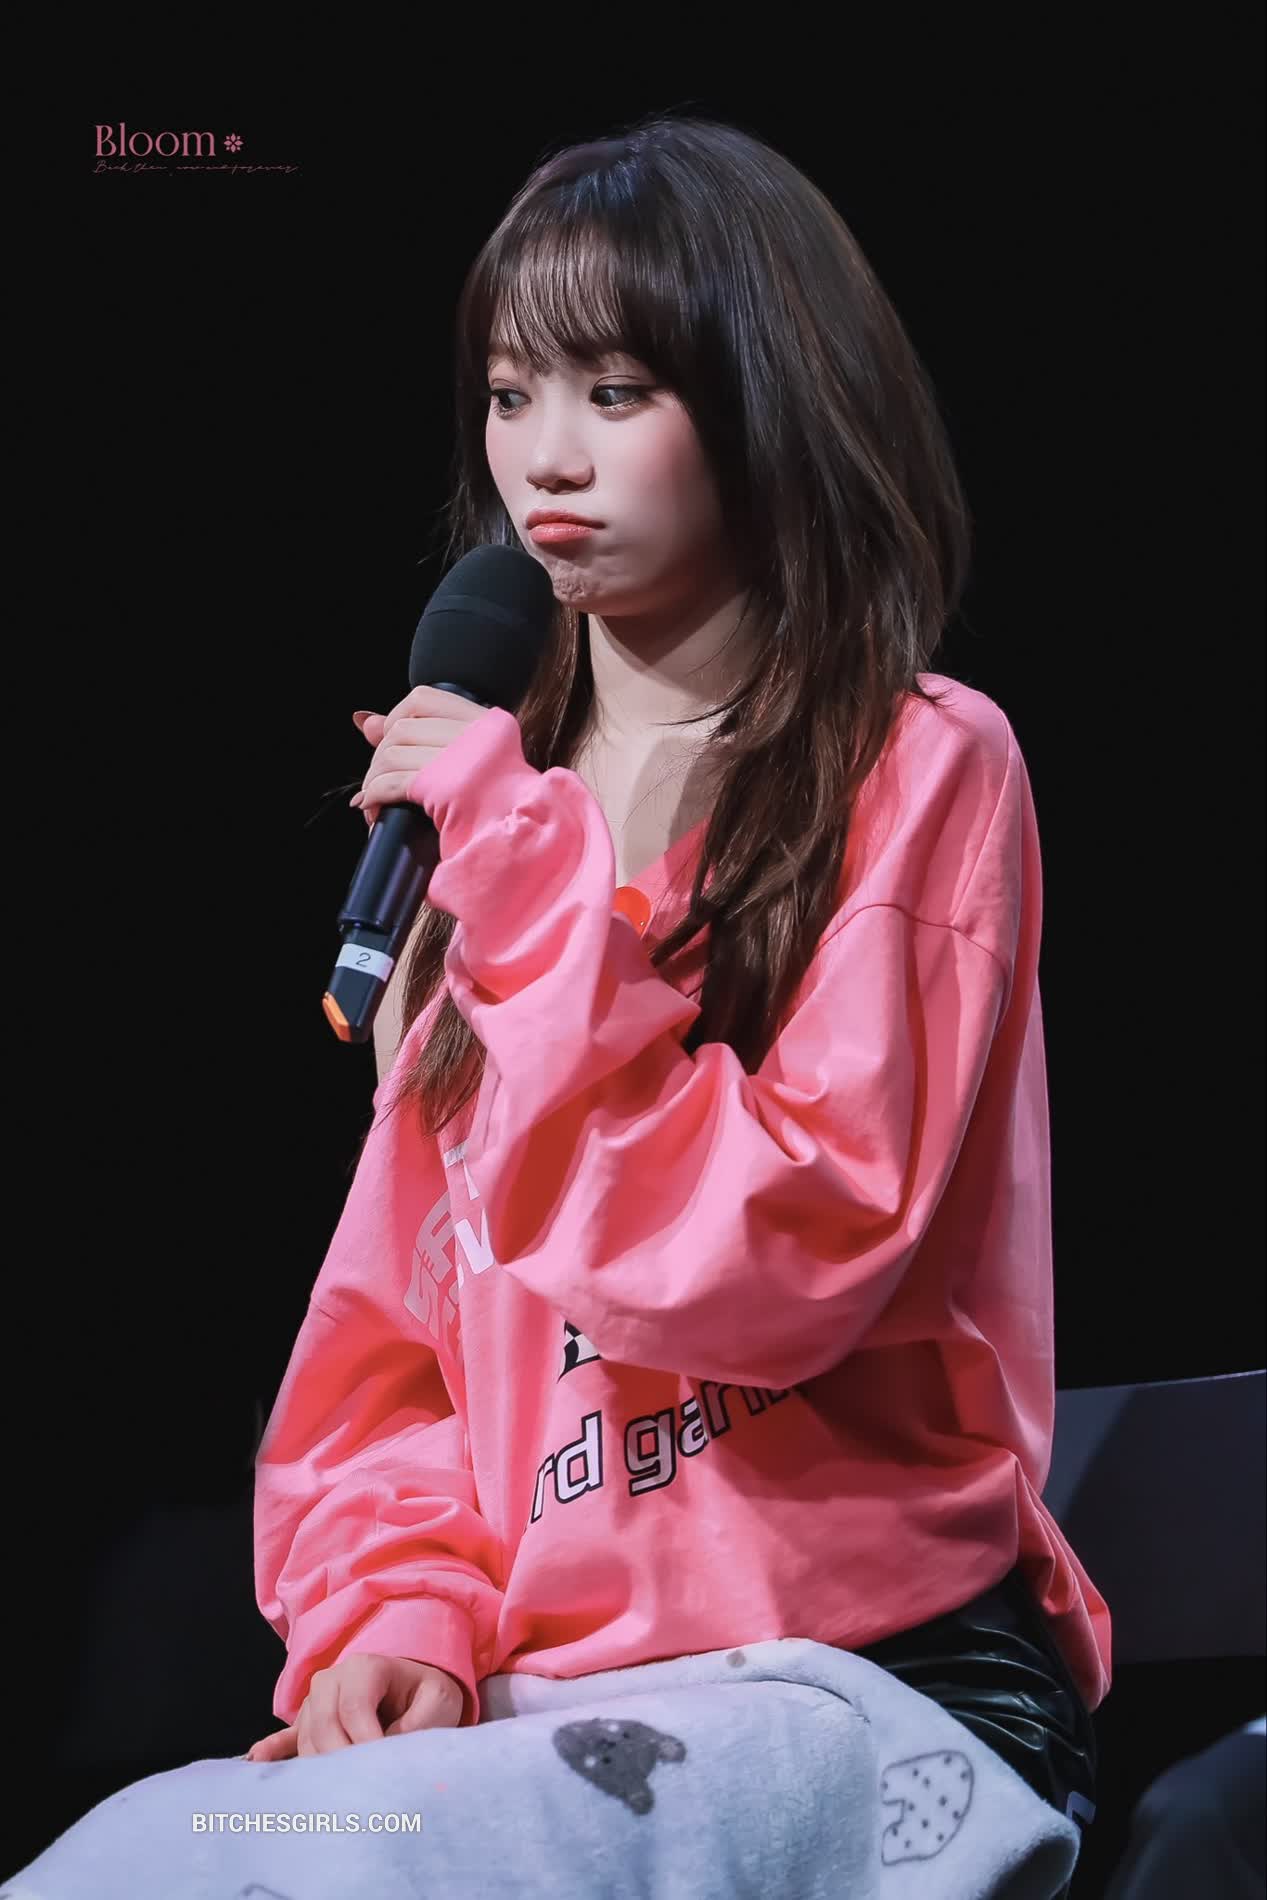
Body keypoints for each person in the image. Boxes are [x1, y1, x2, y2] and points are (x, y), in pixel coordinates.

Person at [9, 112, 1108, 1899]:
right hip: (563, 1696)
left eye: (615, 390)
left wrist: (523, 871)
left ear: (763, 400)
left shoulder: (917, 766)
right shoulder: (489, 838)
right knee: (146, 1858)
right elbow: (408, 1343)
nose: (547, 455)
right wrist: (406, 1609)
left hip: (864, 1678)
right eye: (513, 394)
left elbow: (784, 1256)